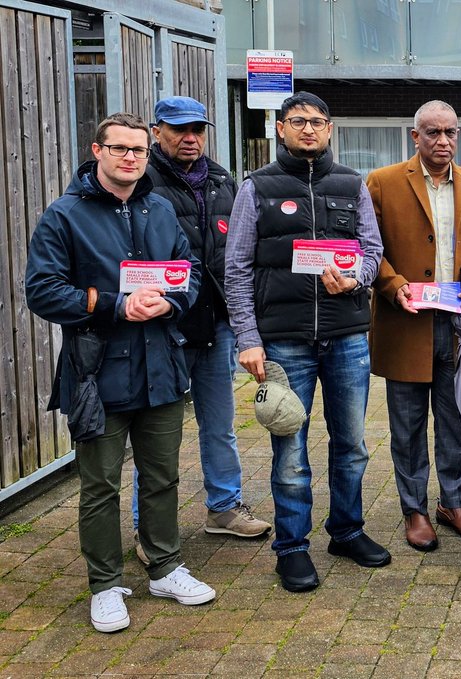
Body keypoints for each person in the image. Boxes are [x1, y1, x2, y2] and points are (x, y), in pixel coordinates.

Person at [26, 112, 215, 633]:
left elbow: (188, 272)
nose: (131, 157)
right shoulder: (65, 216)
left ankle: (165, 566)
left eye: (137, 149)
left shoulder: (159, 210)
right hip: (97, 373)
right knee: (101, 485)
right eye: (120, 149)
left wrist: (171, 304)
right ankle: (105, 585)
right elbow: (41, 290)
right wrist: (114, 305)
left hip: (160, 367)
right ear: (97, 151)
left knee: (162, 477)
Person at [226, 92, 389, 593]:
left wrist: (357, 278)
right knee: (290, 450)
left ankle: (346, 531)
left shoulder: (351, 183)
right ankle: (292, 548)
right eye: (299, 122)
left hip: (345, 338)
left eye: (318, 122)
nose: (310, 130)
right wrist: (248, 339)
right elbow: (236, 268)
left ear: (331, 128)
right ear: (280, 129)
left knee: (353, 445)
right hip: (284, 341)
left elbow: (373, 250)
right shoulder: (256, 187)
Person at [127, 96, 270, 560]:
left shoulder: (224, 181)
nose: (190, 138)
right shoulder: (139, 181)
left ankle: (224, 508)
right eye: (178, 130)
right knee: (154, 431)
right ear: (156, 132)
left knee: (220, 423)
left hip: (216, 324)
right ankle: (146, 526)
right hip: (160, 327)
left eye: (197, 130)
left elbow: (240, 253)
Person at [366, 100, 461, 553]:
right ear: (415, 137)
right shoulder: (383, 184)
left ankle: (452, 500)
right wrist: (392, 285)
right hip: (406, 323)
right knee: (406, 425)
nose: (443, 141)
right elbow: (368, 247)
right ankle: (414, 509)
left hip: (460, 325)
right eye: (433, 133)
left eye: (450, 133)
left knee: (456, 417)